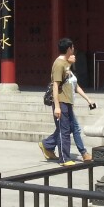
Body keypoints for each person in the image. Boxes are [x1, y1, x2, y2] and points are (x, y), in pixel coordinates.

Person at [39, 38, 77, 166]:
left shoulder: (65, 62)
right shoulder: (58, 64)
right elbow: (55, 85)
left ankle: (47, 144)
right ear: (68, 49)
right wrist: (57, 107)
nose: (73, 50)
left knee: (68, 128)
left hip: (67, 100)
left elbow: (68, 79)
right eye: (72, 48)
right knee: (64, 130)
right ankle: (64, 158)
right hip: (61, 101)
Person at [65, 53, 95, 162]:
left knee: (64, 130)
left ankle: (47, 144)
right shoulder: (63, 70)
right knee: (76, 128)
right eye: (72, 55)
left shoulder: (71, 72)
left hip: (69, 104)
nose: (74, 56)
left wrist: (88, 99)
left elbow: (76, 87)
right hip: (65, 104)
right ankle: (83, 153)